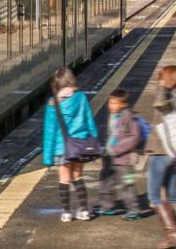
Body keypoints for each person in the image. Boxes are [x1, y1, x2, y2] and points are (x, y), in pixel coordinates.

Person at [43, 68, 98, 222]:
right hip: (80, 145)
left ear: (55, 86)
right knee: (77, 177)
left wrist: (48, 158)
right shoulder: (81, 98)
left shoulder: (53, 104)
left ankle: (66, 212)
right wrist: (95, 141)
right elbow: (90, 121)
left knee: (64, 180)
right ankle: (84, 210)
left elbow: (50, 132)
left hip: (62, 149)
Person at [144, 66, 176, 249]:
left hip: (161, 152)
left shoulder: (169, 97)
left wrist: (164, 86)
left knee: (154, 194)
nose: (159, 81)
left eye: (162, 78)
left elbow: (159, 104)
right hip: (174, 152)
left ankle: (174, 234)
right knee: (172, 193)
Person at [96, 88, 142, 220]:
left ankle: (134, 210)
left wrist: (116, 149)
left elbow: (135, 137)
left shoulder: (129, 118)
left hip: (125, 160)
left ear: (124, 104)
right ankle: (107, 206)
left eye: (115, 103)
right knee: (105, 182)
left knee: (127, 185)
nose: (111, 106)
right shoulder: (113, 117)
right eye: (110, 103)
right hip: (110, 159)